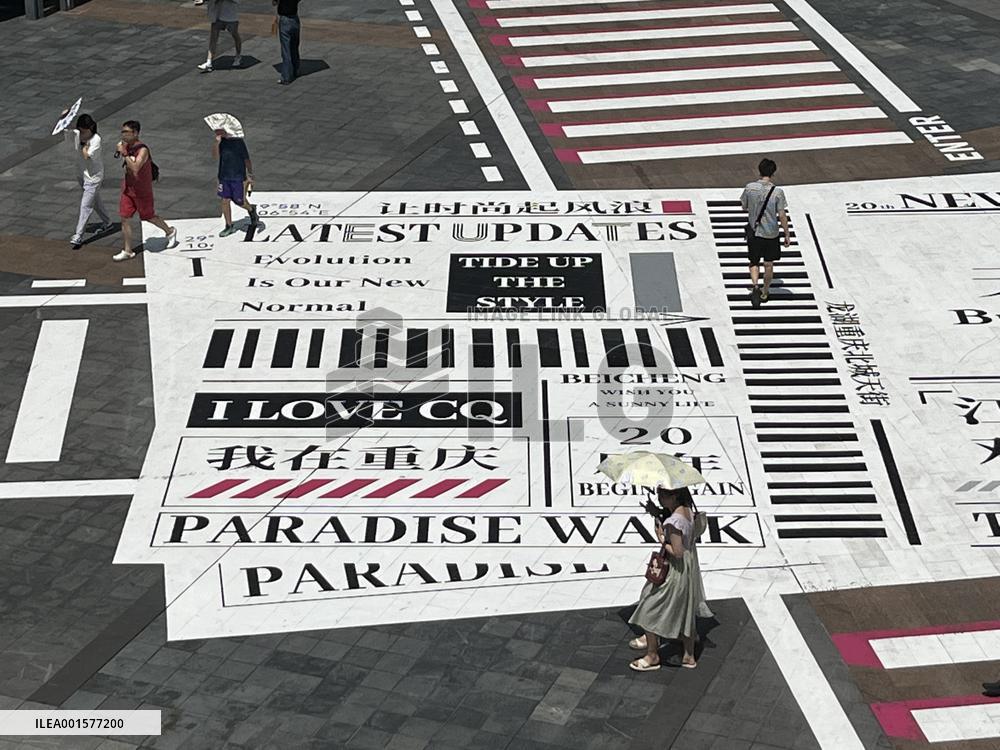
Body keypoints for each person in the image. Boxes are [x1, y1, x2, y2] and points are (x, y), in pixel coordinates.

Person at [628, 486, 713, 671]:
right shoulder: (687, 510)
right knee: (685, 609)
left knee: (648, 607)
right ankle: (688, 656)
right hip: (688, 570)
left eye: (662, 495)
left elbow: (677, 552)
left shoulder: (673, 522)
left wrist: (660, 538)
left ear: (673, 496)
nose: (659, 498)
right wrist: (656, 512)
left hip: (675, 570)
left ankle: (652, 656)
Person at [115, 120, 177, 262]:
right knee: (124, 217)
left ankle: (170, 231)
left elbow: (136, 167)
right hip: (128, 188)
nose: (123, 135)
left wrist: (124, 154)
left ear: (135, 133)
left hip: (142, 190)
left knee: (149, 216)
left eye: (127, 132)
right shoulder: (127, 147)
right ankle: (127, 250)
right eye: (122, 132)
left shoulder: (142, 150)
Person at [740, 158, 790, 306]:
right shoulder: (778, 192)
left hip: (755, 231)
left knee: (754, 262)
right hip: (771, 233)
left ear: (759, 170)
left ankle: (755, 285)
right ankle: (765, 291)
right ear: (773, 173)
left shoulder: (750, 188)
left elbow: (744, 206)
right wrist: (786, 234)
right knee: (768, 264)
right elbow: (781, 215)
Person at [62, 113, 113, 249]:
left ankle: (78, 235)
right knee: (95, 201)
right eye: (80, 131)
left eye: (84, 131)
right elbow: (66, 131)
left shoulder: (96, 140)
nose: (82, 134)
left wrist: (84, 145)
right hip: (81, 174)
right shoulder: (78, 135)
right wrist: (64, 118)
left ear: (91, 128)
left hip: (93, 178)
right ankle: (107, 222)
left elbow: (87, 156)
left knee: (86, 206)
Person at [213, 129, 258, 236]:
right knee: (225, 200)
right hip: (224, 176)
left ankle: (251, 210)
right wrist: (217, 143)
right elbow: (215, 156)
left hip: (238, 176)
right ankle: (229, 225)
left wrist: (250, 175)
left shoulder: (239, 142)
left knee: (240, 201)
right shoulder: (221, 142)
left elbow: (247, 159)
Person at [198, 0, 242, 72]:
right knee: (213, 37)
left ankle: (238, 56)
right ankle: (209, 62)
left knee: (235, 35)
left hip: (231, 16)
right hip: (218, 15)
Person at [274, 0, 302, 85]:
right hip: (295, 19)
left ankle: (286, 76)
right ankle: (295, 70)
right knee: (294, 46)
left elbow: (274, 3)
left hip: (285, 20)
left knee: (286, 50)